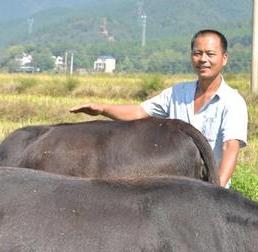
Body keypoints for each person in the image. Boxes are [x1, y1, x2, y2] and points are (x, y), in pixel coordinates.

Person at [70, 29, 248, 188]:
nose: (203, 60)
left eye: (210, 54)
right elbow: (140, 111)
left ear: (224, 58)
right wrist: (102, 109)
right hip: (172, 190)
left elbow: (229, 147)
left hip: (207, 189)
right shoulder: (177, 93)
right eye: (197, 53)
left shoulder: (232, 101)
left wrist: (216, 193)